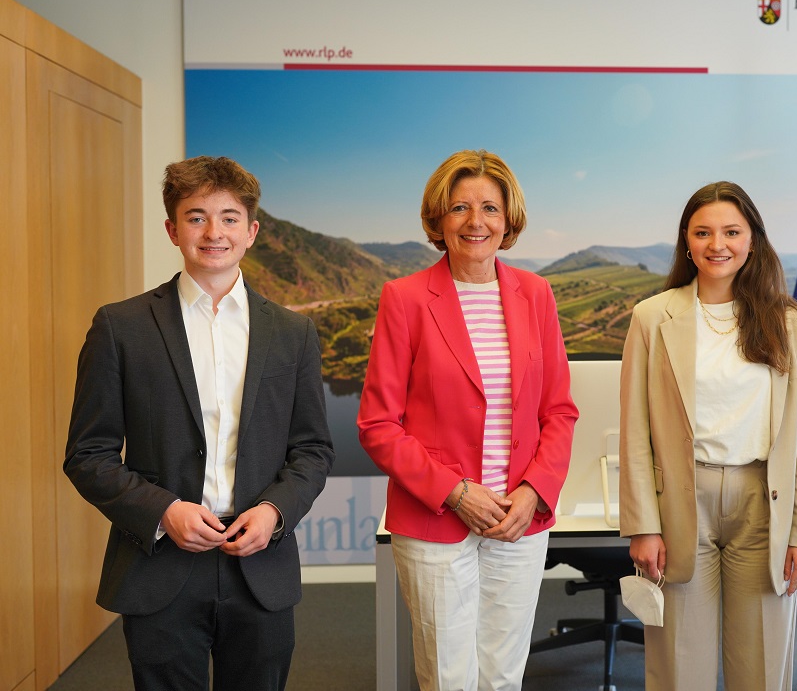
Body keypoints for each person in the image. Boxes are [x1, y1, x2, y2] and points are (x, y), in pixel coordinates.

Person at [63, 155, 336, 691]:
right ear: (172, 229)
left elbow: (313, 451)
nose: (214, 232)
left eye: (230, 217)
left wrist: (275, 512)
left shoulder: (293, 333)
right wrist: (163, 511)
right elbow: (87, 455)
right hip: (159, 564)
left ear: (252, 231)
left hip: (260, 564)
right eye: (196, 217)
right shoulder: (120, 327)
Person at [357, 149, 578, 691]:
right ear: (438, 220)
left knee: (504, 675)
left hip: (517, 521)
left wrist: (533, 491)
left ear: (509, 221)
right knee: (448, 678)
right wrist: (457, 492)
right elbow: (378, 424)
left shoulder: (536, 295)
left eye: (489, 208)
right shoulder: (405, 299)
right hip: (439, 521)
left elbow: (560, 411)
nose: (475, 222)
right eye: (459, 207)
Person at [618, 180, 797, 691]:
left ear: (753, 239)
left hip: (763, 503)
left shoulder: (790, 323)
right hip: (683, 502)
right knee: (679, 666)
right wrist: (643, 524)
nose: (718, 244)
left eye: (732, 231)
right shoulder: (652, 318)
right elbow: (635, 432)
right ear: (687, 242)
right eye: (703, 232)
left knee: (761, 661)